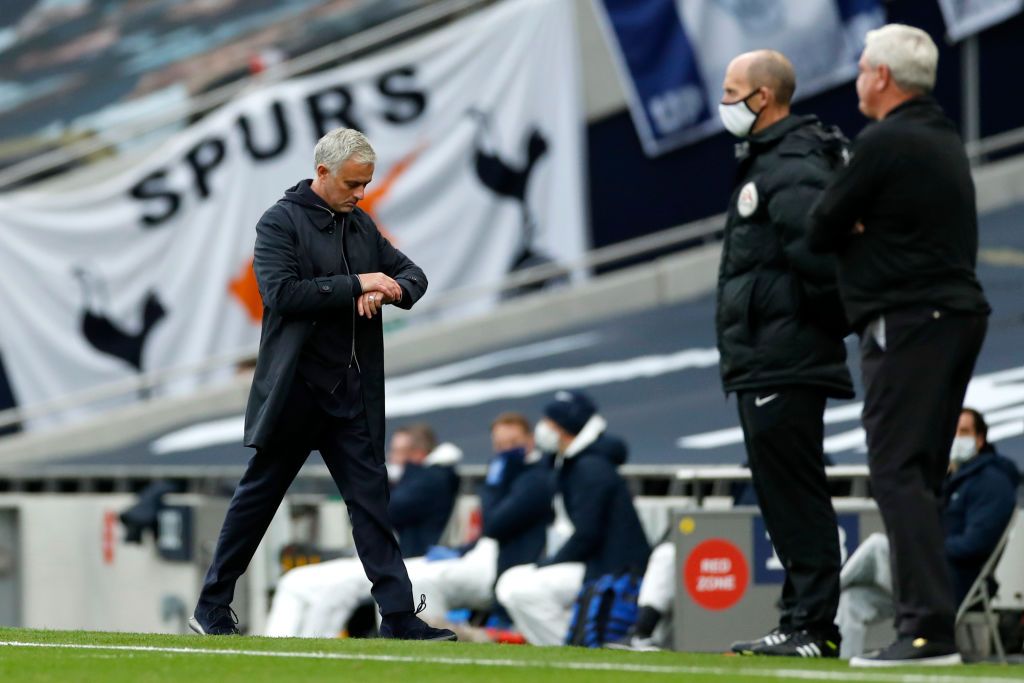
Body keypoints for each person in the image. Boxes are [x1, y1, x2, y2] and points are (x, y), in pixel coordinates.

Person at [190, 127, 455, 642]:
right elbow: (281, 294)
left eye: (368, 184)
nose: (360, 194)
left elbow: (413, 276)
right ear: (324, 173)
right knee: (258, 501)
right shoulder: (279, 221)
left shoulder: (360, 225)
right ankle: (212, 606)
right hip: (295, 393)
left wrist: (390, 288)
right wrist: (358, 284)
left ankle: (398, 617)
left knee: (371, 504)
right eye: (354, 184)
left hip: (349, 395)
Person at [810, 24, 991, 666]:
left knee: (897, 474)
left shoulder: (884, 143)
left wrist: (856, 223)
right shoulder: (941, 135)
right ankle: (929, 626)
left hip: (912, 320)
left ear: (882, 78)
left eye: (863, 69)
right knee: (919, 477)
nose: (858, 78)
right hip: (955, 315)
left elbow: (823, 223)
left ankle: (926, 631)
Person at [715, 49, 854, 658]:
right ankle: (798, 618)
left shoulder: (793, 163)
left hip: (785, 357)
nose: (724, 105)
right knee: (780, 494)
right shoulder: (769, 161)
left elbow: (822, 259)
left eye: (730, 91)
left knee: (795, 494)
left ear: (762, 98)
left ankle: (813, 627)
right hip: (767, 356)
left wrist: (807, 332)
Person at [836, 408, 1019, 658]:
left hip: (950, 585)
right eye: (952, 432)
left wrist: (928, 549)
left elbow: (975, 544)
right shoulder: (949, 478)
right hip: (927, 580)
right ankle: (843, 672)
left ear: (979, 439)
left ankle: (823, 594)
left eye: (963, 432)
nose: (956, 438)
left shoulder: (992, 482)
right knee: (852, 601)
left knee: (878, 545)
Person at [264, 425, 461, 638]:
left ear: (417, 455)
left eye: (398, 452)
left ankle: (313, 644)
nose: (391, 458)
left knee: (334, 589)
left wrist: (398, 475)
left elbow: (385, 512)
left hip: (406, 564)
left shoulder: (432, 480)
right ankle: (284, 643)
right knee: (294, 581)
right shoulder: (416, 479)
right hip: (382, 562)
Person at [496, 390, 650, 646]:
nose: (542, 429)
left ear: (566, 428)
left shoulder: (590, 468)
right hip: (589, 562)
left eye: (549, 423)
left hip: (610, 568)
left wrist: (548, 564)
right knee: (511, 582)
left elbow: (587, 535)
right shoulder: (568, 463)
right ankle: (572, 639)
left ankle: (573, 646)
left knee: (521, 590)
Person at [405, 412, 555, 626]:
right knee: (402, 573)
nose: (507, 450)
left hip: (503, 565)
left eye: (514, 442)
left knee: (422, 581)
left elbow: (495, 524)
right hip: (481, 553)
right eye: (501, 444)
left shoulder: (536, 478)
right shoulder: (506, 473)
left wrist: (496, 483)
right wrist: (460, 550)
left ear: (530, 440)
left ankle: (429, 638)